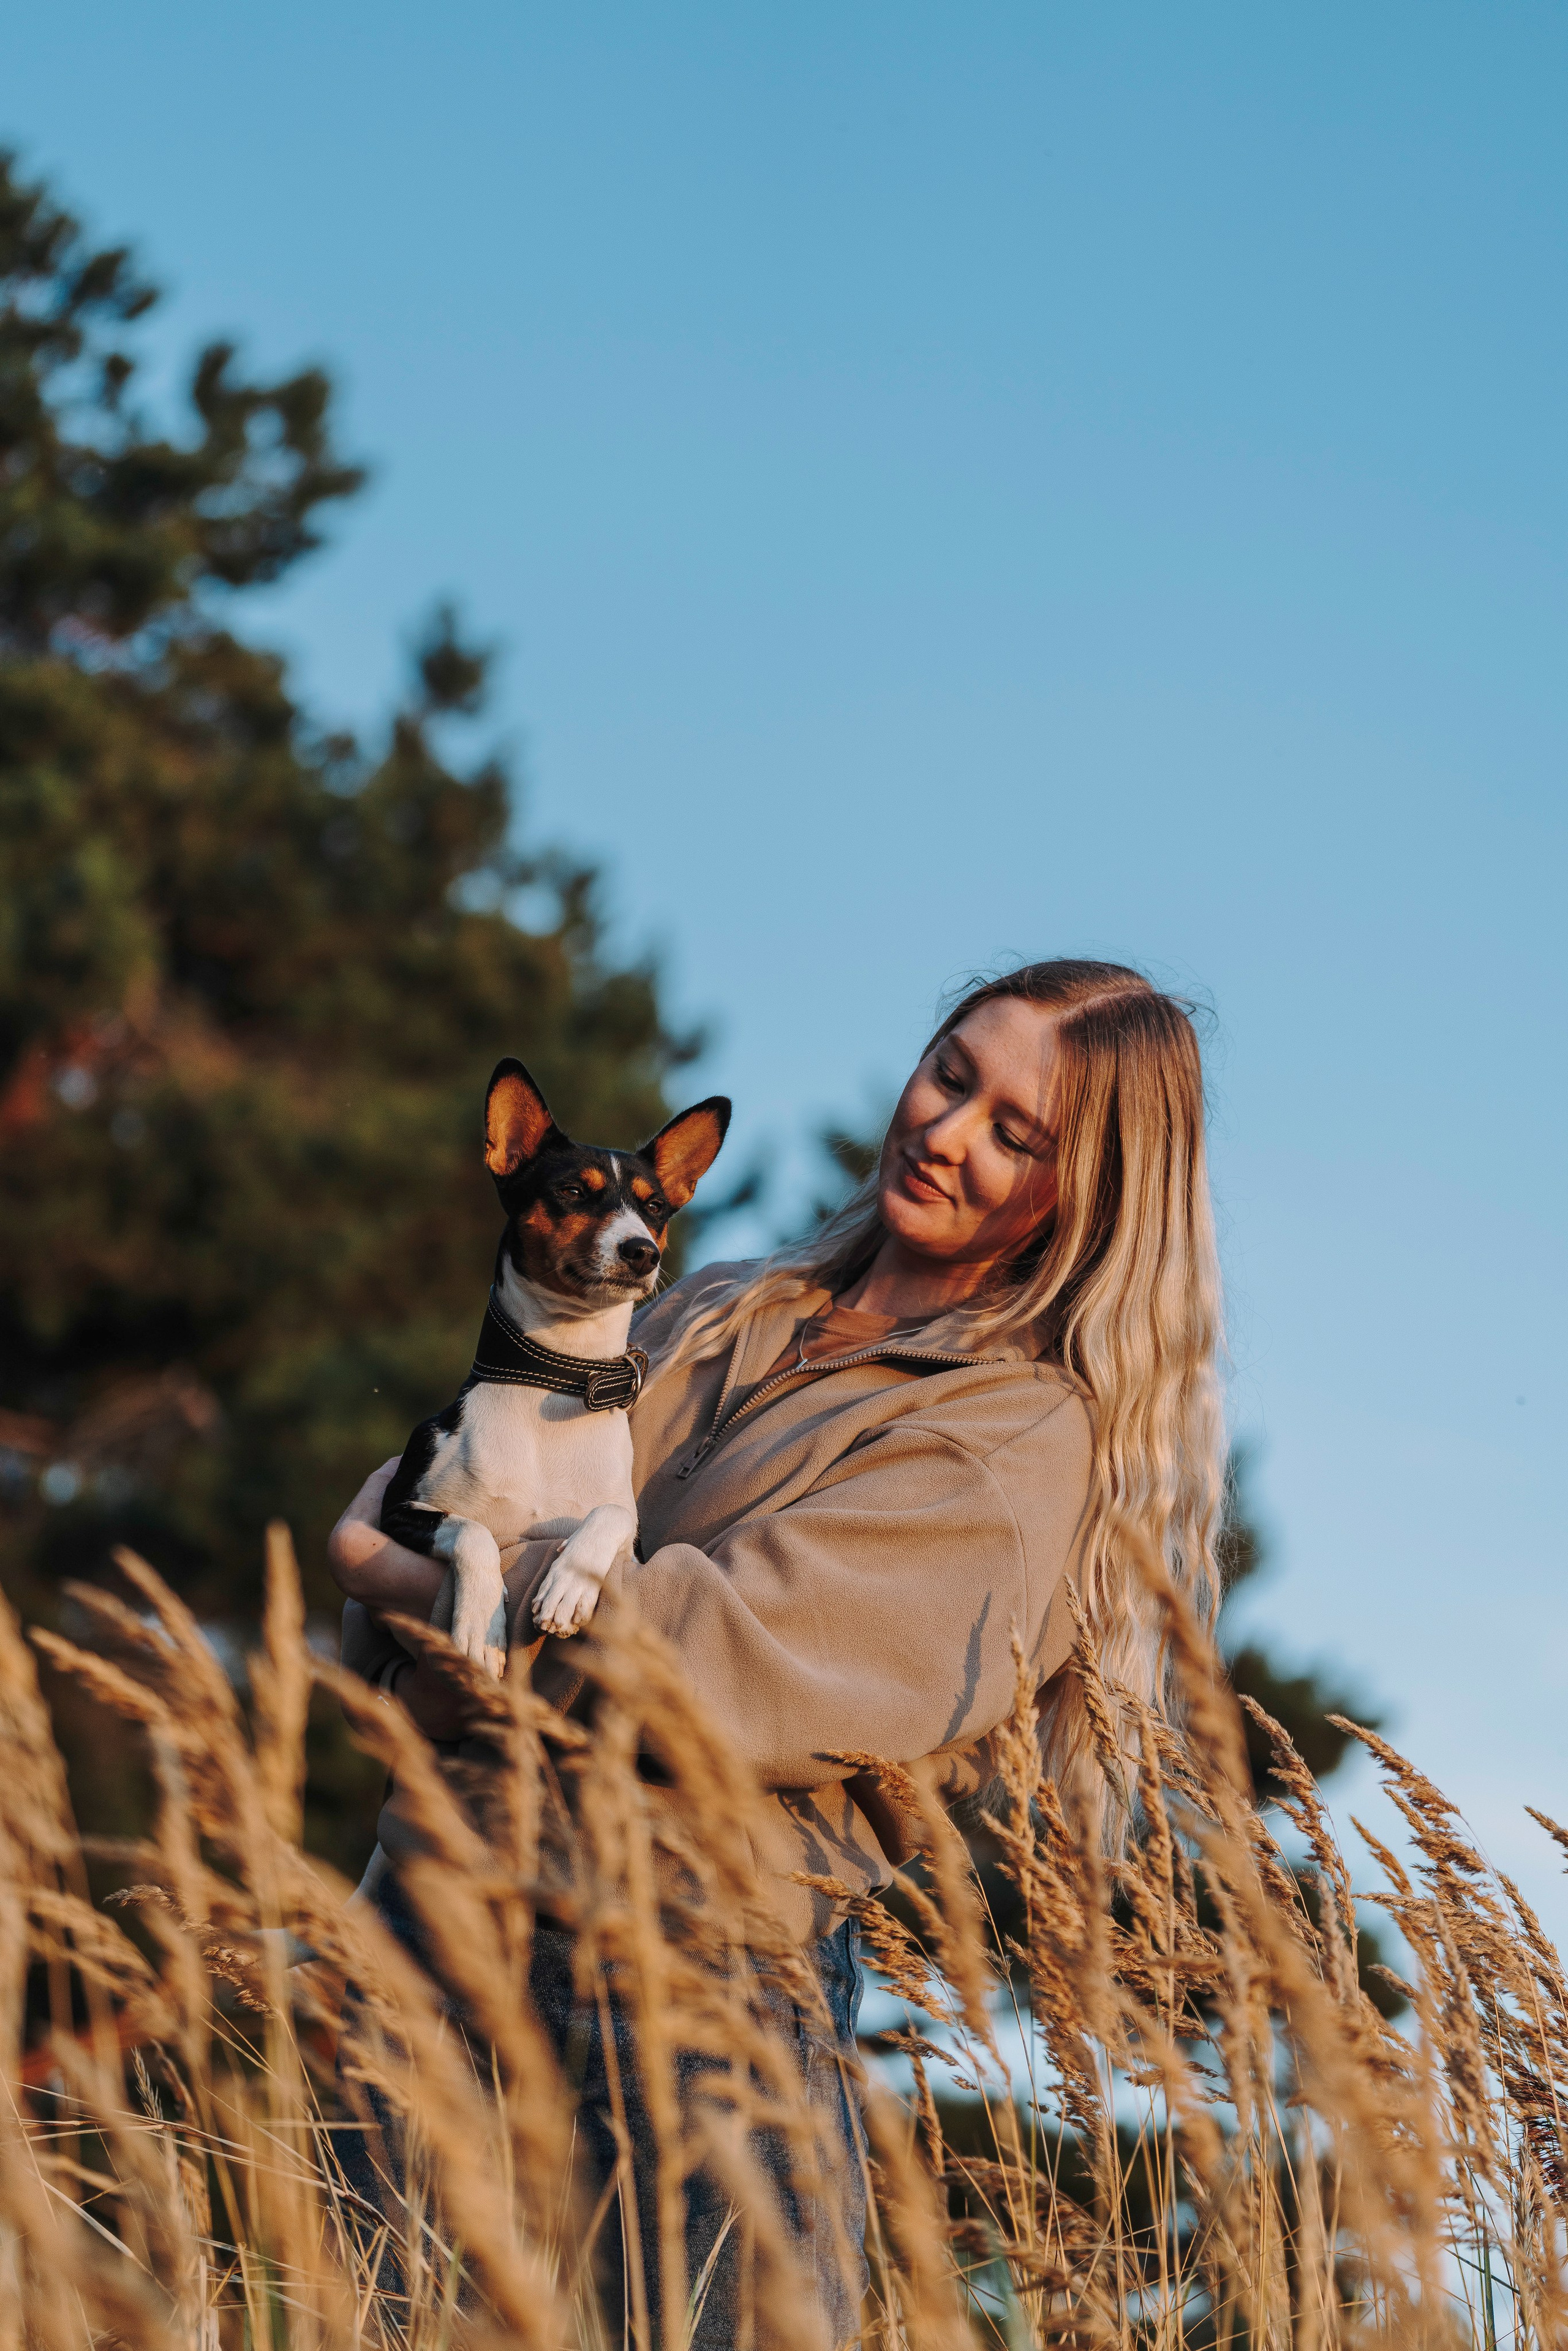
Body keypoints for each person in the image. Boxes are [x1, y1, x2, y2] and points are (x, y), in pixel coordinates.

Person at [328, 957, 1226, 2345]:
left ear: (1089, 1193)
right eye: (948, 1074)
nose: (944, 1131)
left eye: (1015, 1133)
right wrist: (407, 1587)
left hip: (674, 2009)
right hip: (427, 1921)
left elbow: (713, 1668)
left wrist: (398, 1576)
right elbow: (431, 1529)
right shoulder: (709, 1309)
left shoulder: (1015, 1436)